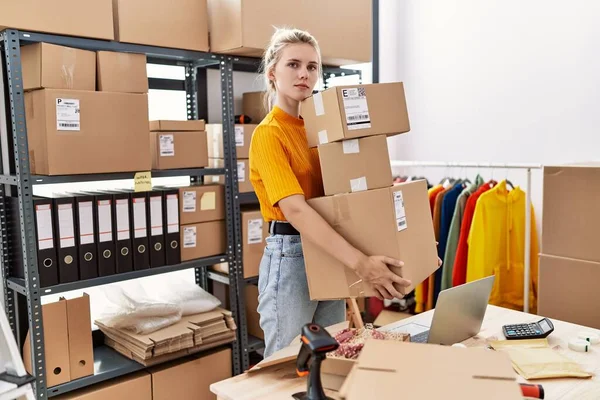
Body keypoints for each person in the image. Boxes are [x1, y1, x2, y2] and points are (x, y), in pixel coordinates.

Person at [249, 28, 413, 358]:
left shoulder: (322, 131)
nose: (304, 74)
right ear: (272, 73)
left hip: (329, 248)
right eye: (293, 64)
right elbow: (295, 209)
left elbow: (350, 199)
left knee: (328, 358)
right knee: (288, 363)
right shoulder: (268, 134)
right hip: (292, 253)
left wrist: (407, 244)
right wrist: (360, 263)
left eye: (312, 67)